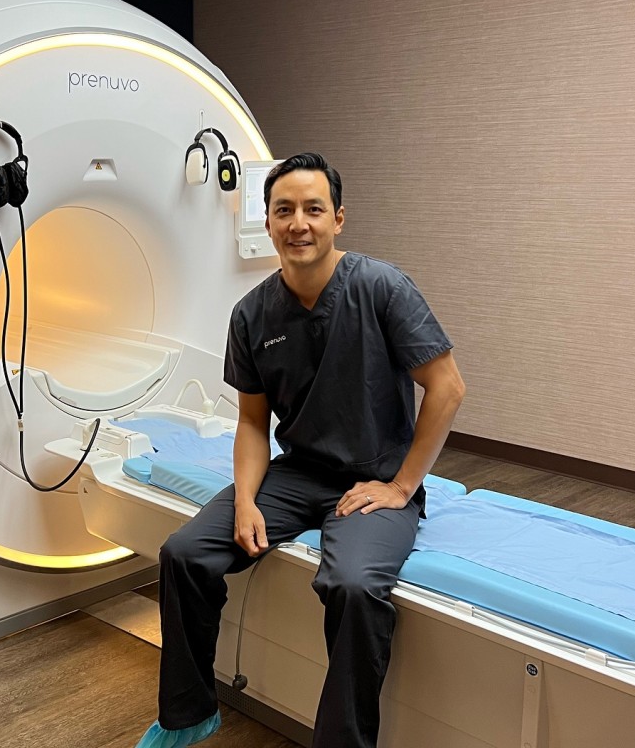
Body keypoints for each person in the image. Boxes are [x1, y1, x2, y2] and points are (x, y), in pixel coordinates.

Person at [135, 152, 465, 748]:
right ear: (267, 222)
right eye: (284, 210)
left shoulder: (381, 288)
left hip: (374, 479)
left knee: (353, 586)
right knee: (184, 554)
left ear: (338, 218)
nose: (299, 223)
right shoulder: (251, 314)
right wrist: (245, 501)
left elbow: (447, 387)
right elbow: (252, 423)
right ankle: (188, 716)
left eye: (314, 209)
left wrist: (402, 486)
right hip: (296, 473)